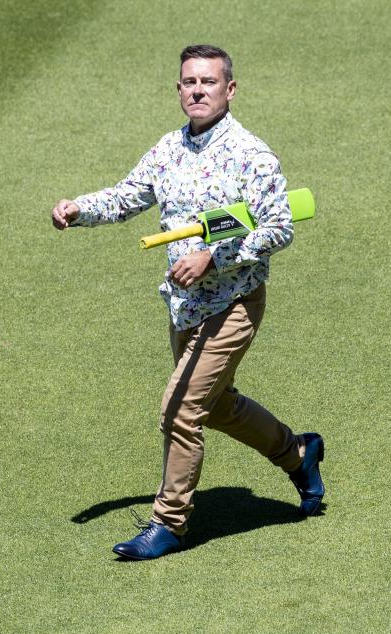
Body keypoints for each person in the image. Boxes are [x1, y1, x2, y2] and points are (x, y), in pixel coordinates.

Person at [52, 44, 325, 560]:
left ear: (230, 89)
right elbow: (127, 195)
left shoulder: (253, 156)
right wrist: (78, 208)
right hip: (184, 307)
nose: (197, 90)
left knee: (179, 410)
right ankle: (299, 453)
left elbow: (279, 228)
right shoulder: (169, 149)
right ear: (179, 90)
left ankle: (169, 523)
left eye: (208, 82)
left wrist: (213, 259)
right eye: (188, 82)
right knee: (216, 405)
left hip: (233, 303)